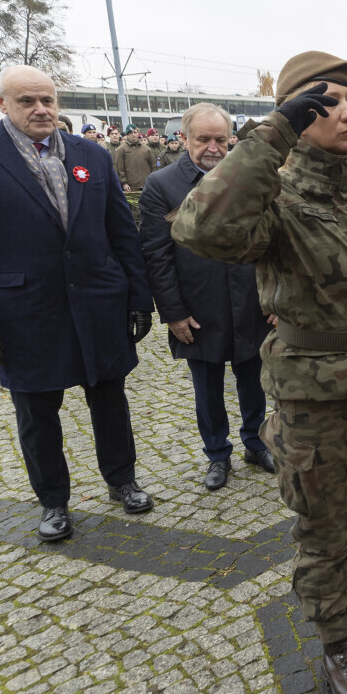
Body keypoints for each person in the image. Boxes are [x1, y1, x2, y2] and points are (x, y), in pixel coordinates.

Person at [171, 51, 347, 694]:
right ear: (296, 115)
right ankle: (337, 641)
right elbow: (201, 226)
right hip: (315, 399)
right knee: (324, 530)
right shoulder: (278, 195)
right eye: (326, 102)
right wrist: (273, 135)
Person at [0, 65, 155, 542]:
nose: (41, 110)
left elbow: (122, 232)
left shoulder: (91, 154)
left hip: (99, 302)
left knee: (110, 400)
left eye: (48, 100)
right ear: (0, 102)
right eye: (27, 101)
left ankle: (122, 480)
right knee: (36, 412)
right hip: (25, 311)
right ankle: (53, 500)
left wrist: (138, 297)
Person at [139, 102, 274, 492]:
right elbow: (156, 255)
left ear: (231, 138)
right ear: (185, 138)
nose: (213, 148)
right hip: (198, 306)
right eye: (203, 139)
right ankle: (217, 453)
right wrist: (173, 312)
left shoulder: (250, 177)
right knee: (207, 388)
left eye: (220, 139)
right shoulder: (161, 184)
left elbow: (275, 243)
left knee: (254, 380)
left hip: (251, 301)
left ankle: (256, 443)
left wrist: (275, 298)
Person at [114, 126, 154, 224]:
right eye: (130, 133)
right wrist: (124, 183)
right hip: (131, 186)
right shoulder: (122, 149)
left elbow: (153, 166)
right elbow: (119, 168)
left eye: (135, 132)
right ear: (127, 134)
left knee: (149, 209)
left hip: (146, 184)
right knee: (135, 212)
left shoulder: (146, 149)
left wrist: (152, 181)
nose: (133, 135)